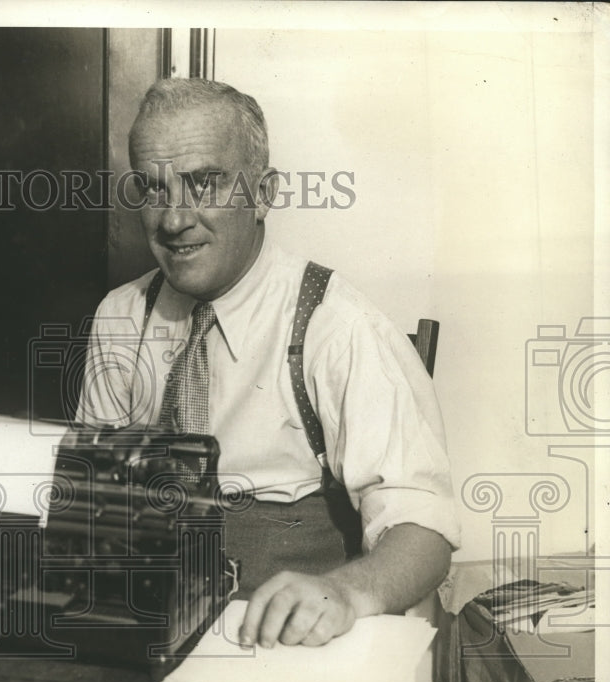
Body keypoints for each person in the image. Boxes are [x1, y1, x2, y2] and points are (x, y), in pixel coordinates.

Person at [75, 78, 460, 649]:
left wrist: (348, 593)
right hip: (147, 629)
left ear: (262, 193)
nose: (174, 220)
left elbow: (424, 531)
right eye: (153, 189)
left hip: (283, 647)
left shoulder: (336, 326)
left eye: (204, 183)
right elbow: (91, 504)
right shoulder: (121, 317)